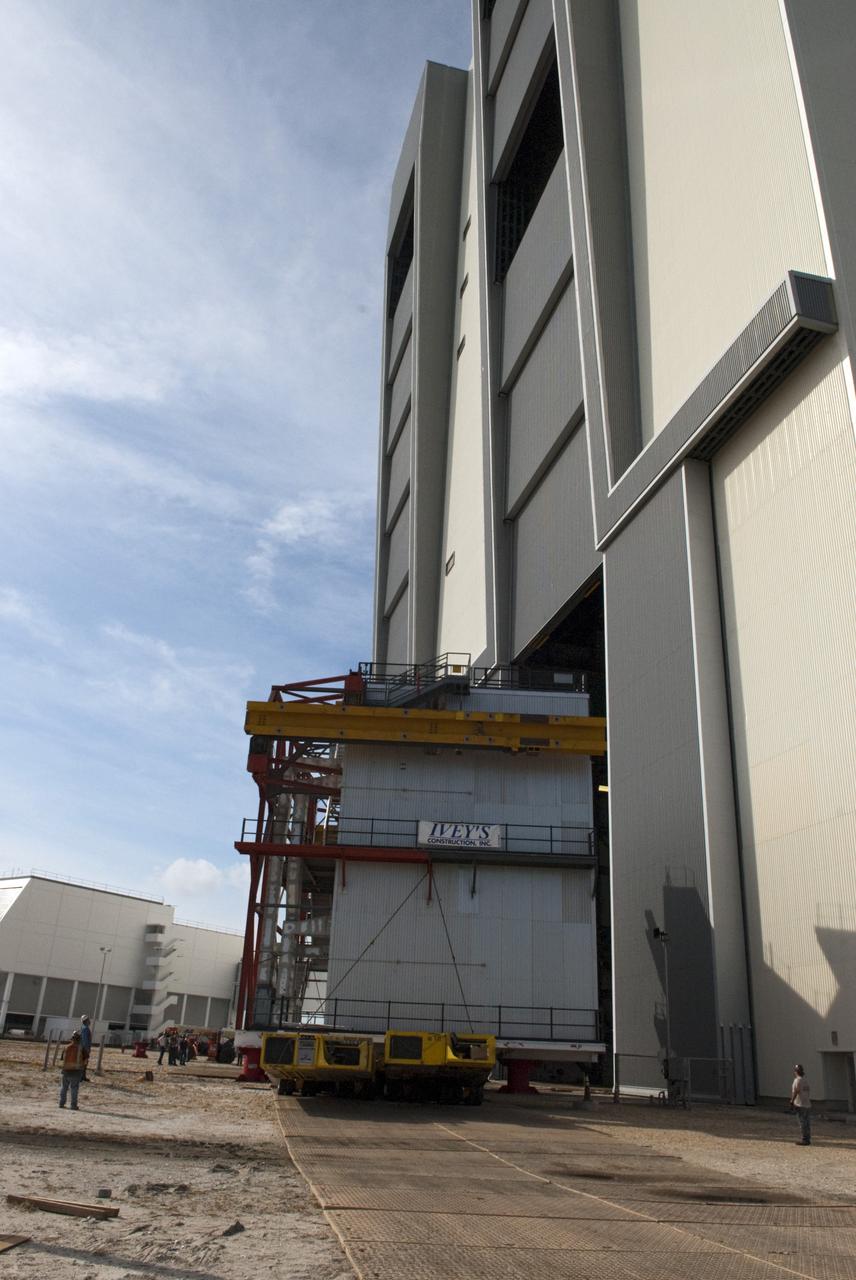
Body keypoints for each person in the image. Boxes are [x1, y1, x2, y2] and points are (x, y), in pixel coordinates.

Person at [59, 1031, 86, 1109]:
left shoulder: (66, 1047)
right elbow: (86, 1059)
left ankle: (61, 1104)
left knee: (64, 1088)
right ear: (79, 1039)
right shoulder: (81, 1048)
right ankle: (73, 1105)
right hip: (76, 1072)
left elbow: (62, 1059)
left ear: (72, 1039)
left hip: (66, 1071)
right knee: (74, 1088)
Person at [790, 1063, 811, 1145]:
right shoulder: (805, 1080)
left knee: (802, 1122)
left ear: (796, 1072)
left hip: (800, 1104)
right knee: (807, 1122)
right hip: (807, 1104)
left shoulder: (797, 1080)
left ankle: (804, 1139)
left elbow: (796, 1091)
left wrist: (792, 1101)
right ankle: (808, 1138)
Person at [79, 1015, 92, 1082]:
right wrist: (86, 1050)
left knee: (84, 1063)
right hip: (84, 1049)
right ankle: (81, 1077)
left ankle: (83, 1076)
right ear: (86, 1021)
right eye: (88, 1020)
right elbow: (85, 1040)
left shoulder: (83, 1028)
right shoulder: (85, 1029)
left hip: (83, 1048)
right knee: (83, 1062)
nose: (90, 1021)